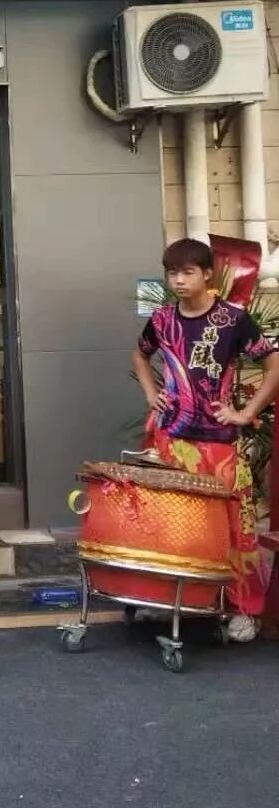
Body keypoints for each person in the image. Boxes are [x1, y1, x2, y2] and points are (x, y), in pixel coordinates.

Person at [132, 238, 279, 638]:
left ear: (207, 274)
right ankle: (168, 600)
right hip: (170, 439)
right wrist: (151, 394)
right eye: (172, 273)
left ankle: (241, 609)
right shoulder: (162, 319)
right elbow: (140, 354)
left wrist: (245, 413)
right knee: (168, 523)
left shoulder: (233, 319)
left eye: (188, 272)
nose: (179, 281)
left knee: (232, 526)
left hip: (219, 442)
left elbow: (273, 366)